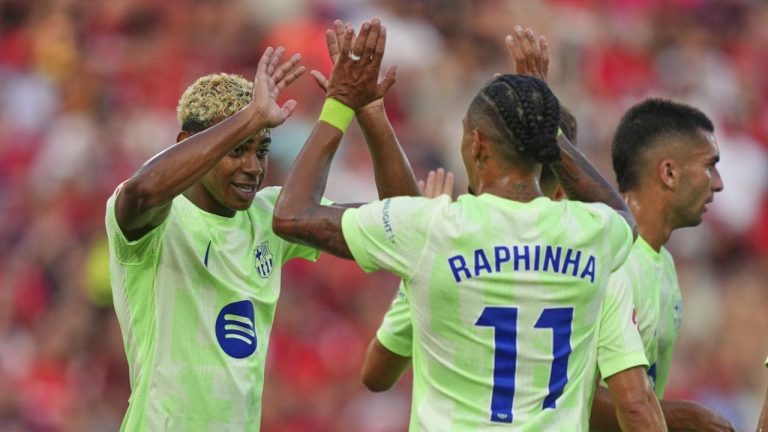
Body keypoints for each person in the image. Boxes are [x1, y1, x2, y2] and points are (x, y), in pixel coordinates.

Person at [273, 21, 665, 430]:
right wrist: (544, 120)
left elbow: (291, 215)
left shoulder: (436, 228)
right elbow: (621, 218)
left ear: (477, 143)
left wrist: (340, 103)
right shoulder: (592, 235)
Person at [105, 23, 415, 430]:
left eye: (262, 150)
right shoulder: (157, 219)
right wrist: (252, 116)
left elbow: (406, 222)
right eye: (238, 150)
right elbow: (141, 193)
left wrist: (368, 111)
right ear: (186, 142)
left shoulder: (270, 215)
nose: (253, 168)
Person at [359, 24, 578, 395]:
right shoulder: (597, 245)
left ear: (479, 147)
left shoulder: (443, 241)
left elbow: (376, 375)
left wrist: (419, 263)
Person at [588, 98, 731, 432]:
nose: (719, 183)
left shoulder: (663, 264)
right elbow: (570, 390)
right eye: (710, 166)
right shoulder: (611, 259)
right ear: (669, 172)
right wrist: (681, 417)